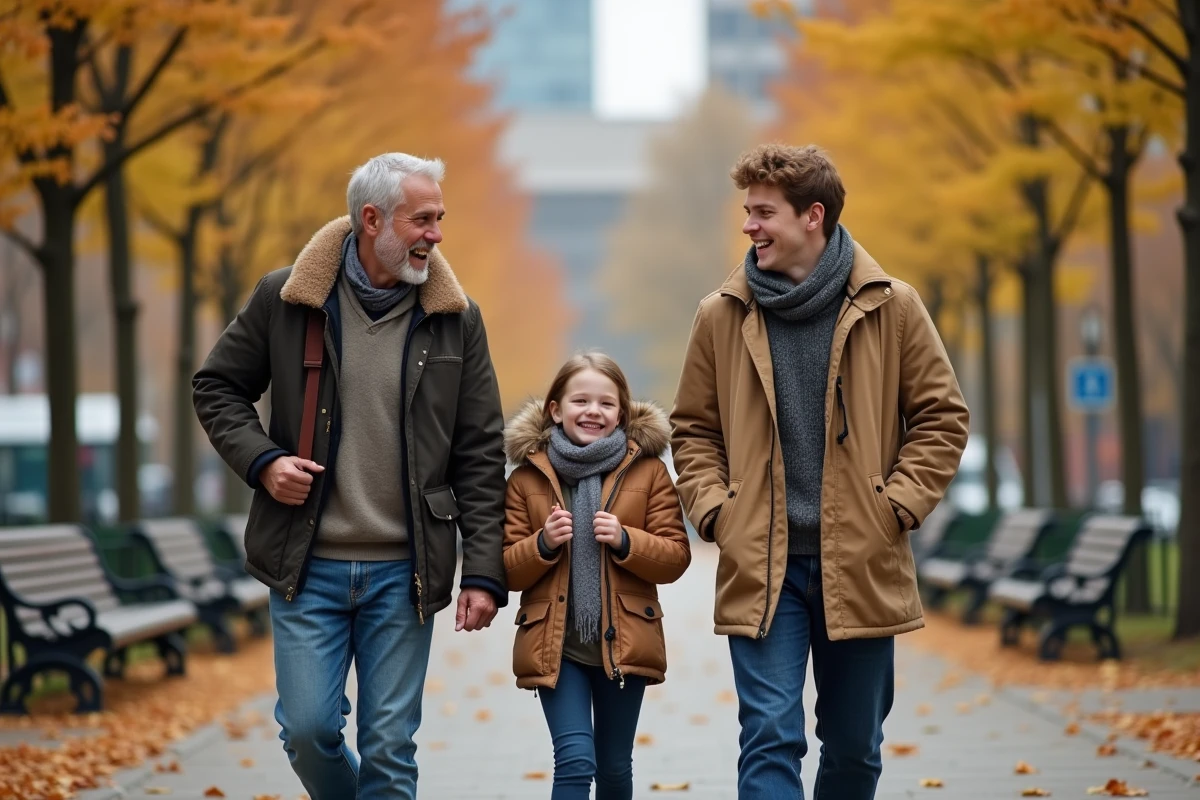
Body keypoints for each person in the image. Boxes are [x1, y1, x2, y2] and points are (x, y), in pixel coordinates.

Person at [193, 152, 508, 800]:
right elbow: (217, 386)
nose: (437, 234)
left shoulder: (456, 319)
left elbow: (479, 450)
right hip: (306, 564)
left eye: (440, 218)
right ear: (372, 219)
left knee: (391, 749)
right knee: (308, 730)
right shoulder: (287, 299)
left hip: (407, 568)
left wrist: (483, 571)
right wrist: (263, 461)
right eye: (423, 219)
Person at [670, 143, 970, 799]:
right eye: (747, 211)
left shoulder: (893, 307)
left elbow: (942, 417)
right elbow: (693, 428)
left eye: (762, 212)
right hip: (763, 564)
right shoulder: (720, 314)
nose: (748, 226)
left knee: (855, 751)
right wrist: (717, 510)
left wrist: (895, 507)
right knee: (770, 738)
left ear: (813, 216)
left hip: (861, 559)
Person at [502, 351, 692, 800]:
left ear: (622, 412)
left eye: (606, 403)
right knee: (575, 761)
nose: (593, 411)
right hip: (556, 644)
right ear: (555, 409)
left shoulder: (648, 470)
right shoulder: (528, 476)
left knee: (612, 767)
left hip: (624, 640)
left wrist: (627, 540)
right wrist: (543, 543)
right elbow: (508, 568)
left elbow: (676, 556)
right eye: (580, 401)